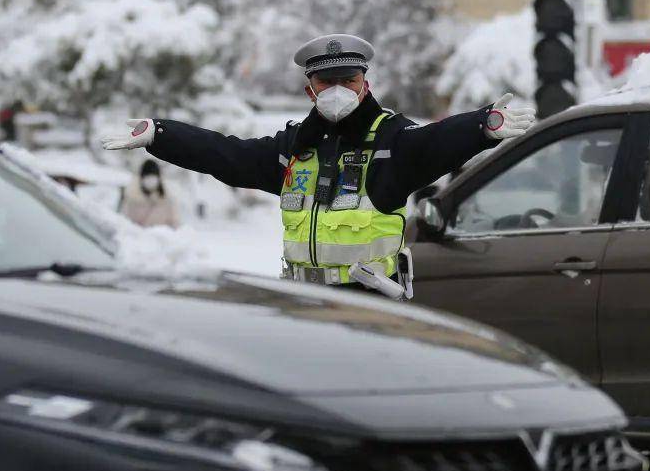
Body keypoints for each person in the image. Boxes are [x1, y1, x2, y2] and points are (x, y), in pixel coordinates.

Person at [101, 33, 534, 296]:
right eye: (328, 81)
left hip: (371, 303)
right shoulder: (295, 147)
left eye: (349, 80)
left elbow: (436, 141)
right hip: (304, 303)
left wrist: (482, 126)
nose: (338, 89)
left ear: (365, 84)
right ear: (311, 87)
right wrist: (161, 134)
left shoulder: (391, 142)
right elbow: (226, 155)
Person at [119, 159, 179, 228]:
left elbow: (175, 225)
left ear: (159, 178)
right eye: (147, 176)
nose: (150, 180)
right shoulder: (132, 199)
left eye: (153, 176)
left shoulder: (168, 200)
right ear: (141, 178)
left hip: (162, 238)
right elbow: (124, 224)